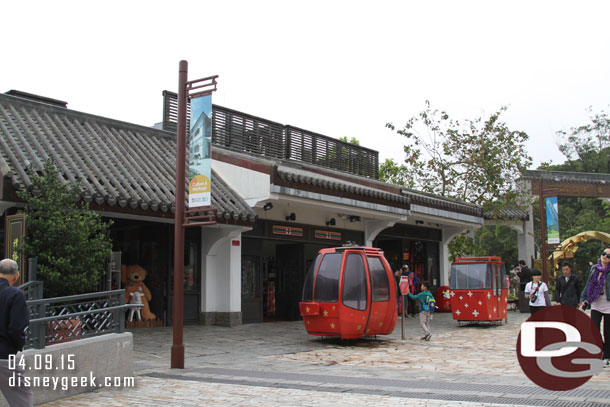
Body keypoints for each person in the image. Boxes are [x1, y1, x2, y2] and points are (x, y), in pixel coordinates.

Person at [0, 258, 33, 407]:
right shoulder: (14, 294)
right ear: (16, 276)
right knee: (22, 400)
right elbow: (16, 328)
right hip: (4, 356)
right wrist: (19, 345)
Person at [580, 247, 610, 367]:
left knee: (608, 332)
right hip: (596, 303)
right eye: (604, 253)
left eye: (608, 256)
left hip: (608, 304)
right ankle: (603, 349)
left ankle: (606, 356)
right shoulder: (594, 268)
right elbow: (588, 284)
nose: (605, 256)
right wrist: (584, 299)